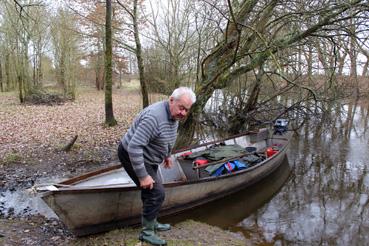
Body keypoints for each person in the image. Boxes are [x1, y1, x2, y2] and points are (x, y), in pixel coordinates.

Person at [118, 87, 196, 245]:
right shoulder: (154, 117)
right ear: (171, 100)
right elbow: (134, 147)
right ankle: (146, 232)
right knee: (156, 193)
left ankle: (151, 223)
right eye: (181, 108)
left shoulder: (173, 116)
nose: (183, 113)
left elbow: (167, 136)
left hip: (150, 155)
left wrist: (166, 155)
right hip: (131, 153)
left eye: (186, 110)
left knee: (152, 190)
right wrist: (143, 176)